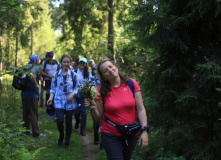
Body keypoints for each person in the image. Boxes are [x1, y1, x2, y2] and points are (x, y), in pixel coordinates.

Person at [85, 59, 149, 160]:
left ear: (115, 67)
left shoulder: (132, 84)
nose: (110, 70)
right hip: (110, 134)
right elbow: (98, 118)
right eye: (105, 71)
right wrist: (93, 108)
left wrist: (144, 131)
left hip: (131, 133)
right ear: (104, 77)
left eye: (110, 67)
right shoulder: (101, 90)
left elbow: (141, 109)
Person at [47, 54, 78, 148]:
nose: (66, 63)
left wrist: (72, 95)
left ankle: (67, 141)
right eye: (64, 62)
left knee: (68, 122)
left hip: (70, 102)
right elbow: (52, 89)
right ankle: (61, 135)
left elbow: (77, 87)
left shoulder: (73, 74)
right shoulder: (56, 75)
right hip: (59, 101)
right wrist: (50, 98)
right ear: (61, 62)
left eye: (67, 62)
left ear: (70, 63)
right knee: (60, 120)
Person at [22, 54, 46, 138]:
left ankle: (26, 131)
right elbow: (32, 75)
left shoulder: (26, 66)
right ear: (36, 60)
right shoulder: (34, 67)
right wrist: (36, 84)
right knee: (33, 114)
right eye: (38, 59)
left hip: (24, 94)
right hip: (32, 95)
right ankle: (36, 133)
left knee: (26, 114)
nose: (39, 61)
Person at [74, 57, 92, 136]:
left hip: (84, 95)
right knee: (76, 111)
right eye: (80, 62)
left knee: (83, 112)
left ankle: (82, 128)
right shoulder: (74, 72)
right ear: (79, 63)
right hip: (75, 95)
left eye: (83, 63)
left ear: (85, 64)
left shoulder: (88, 73)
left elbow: (91, 83)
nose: (82, 64)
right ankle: (77, 121)